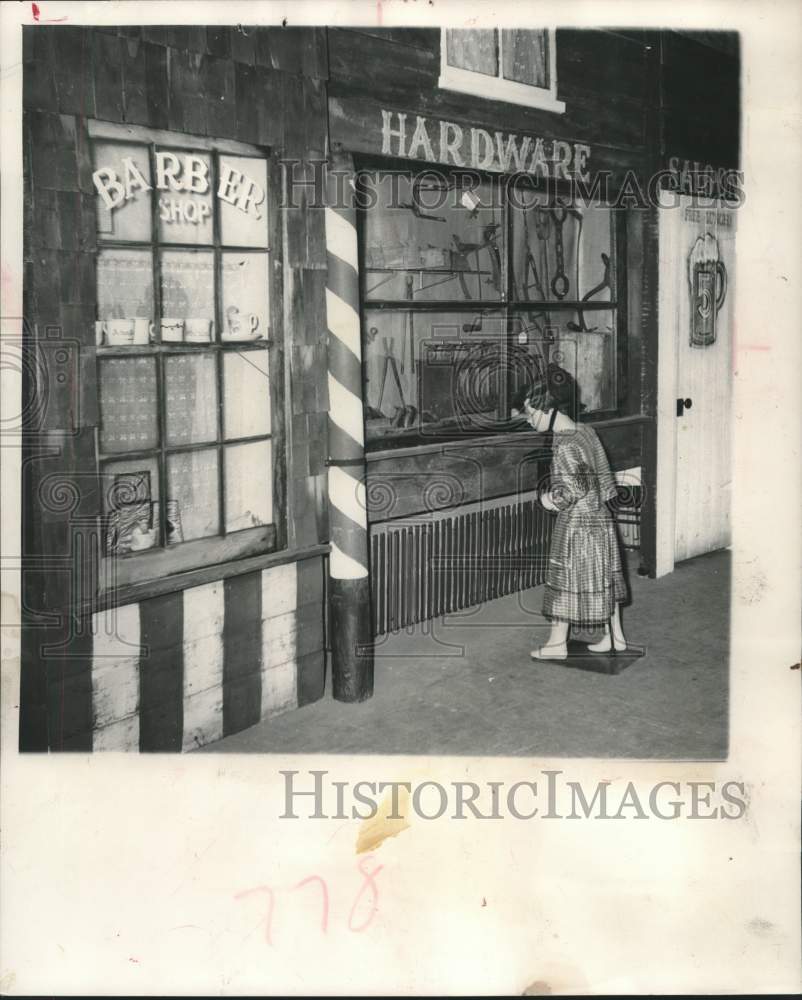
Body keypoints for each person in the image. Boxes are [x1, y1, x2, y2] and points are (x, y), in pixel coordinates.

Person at [511, 365, 629, 659]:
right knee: (606, 579)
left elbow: (574, 488)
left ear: (547, 408)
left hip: (577, 525)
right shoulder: (585, 431)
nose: (528, 420)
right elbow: (601, 478)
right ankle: (616, 638)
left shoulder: (563, 443)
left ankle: (556, 645)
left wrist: (551, 500)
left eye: (530, 412)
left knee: (563, 580)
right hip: (600, 519)